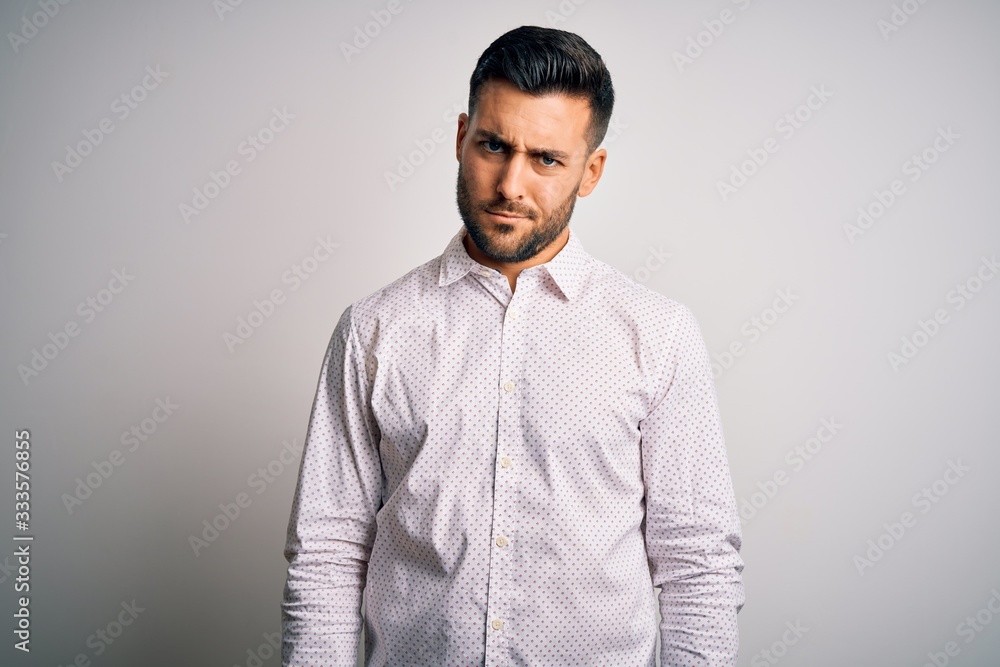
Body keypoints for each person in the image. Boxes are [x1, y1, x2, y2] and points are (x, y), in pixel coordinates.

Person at [281, 24, 745, 667]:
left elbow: (697, 564)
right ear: (460, 137)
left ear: (592, 171)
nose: (509, 185)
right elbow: (327, 553)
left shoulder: (658, 334)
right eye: (493, 146)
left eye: (546, 159)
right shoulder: (374, 329)